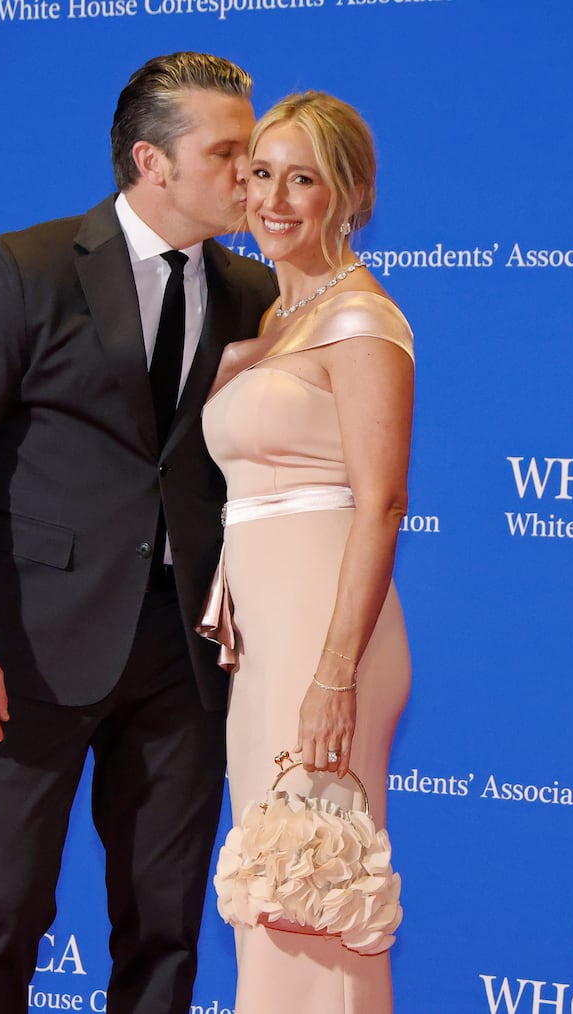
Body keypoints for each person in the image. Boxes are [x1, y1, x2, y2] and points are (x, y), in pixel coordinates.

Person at [0, 52, 278, 1014]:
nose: (251, 173)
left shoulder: (252, 292)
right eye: (226, 152)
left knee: (165, 929)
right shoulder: (26, 269)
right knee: (2, 917)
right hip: (26, 648)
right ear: (152, 162)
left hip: (185, 654)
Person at [198, 91, 414, 1013]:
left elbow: (383, 502)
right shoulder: (278, 320)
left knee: (316, 892)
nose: (274, 200)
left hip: (326, 643)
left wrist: (334, 674)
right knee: (275, 895)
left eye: (304, 180)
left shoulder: (360, 320)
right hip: (267, 644)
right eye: (261, 175)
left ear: (351, 195)